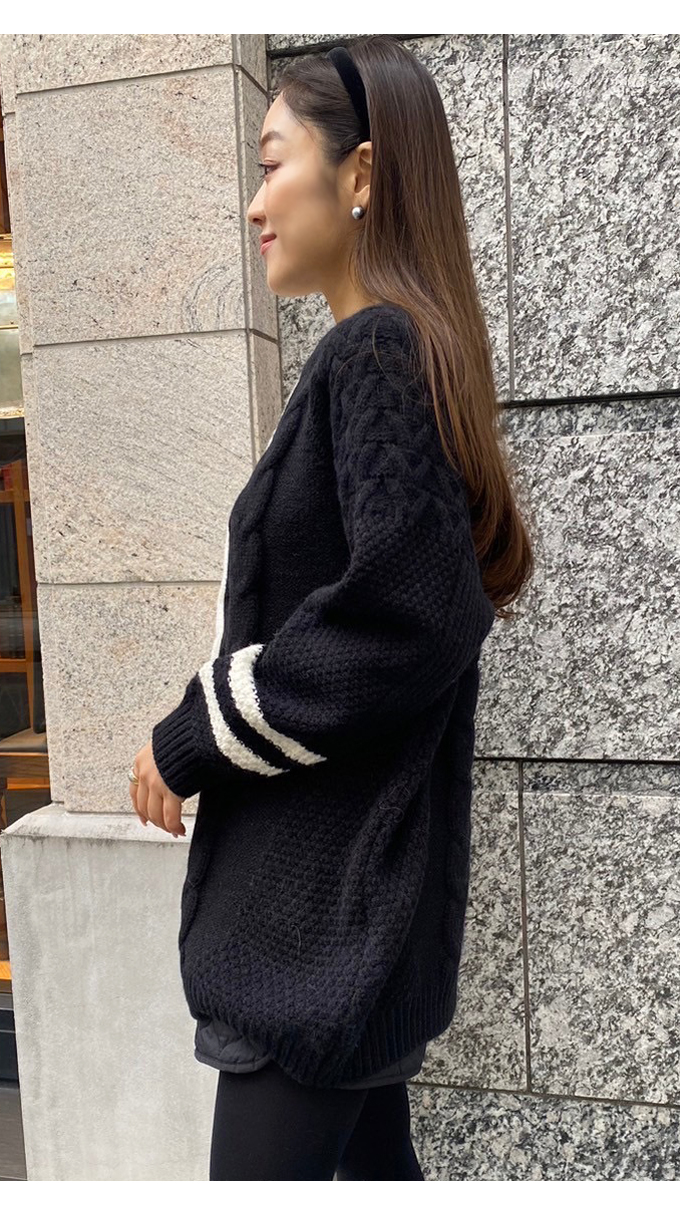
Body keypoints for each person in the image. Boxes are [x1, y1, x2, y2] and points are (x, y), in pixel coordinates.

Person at [129, 36, 535, 1181]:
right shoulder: (393, 353)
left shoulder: (375, 352)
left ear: (358, 174)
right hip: (345, 919)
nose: (254, 203)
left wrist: (195, 731)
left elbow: (407, 613)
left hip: (312, 939)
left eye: (271, 163)